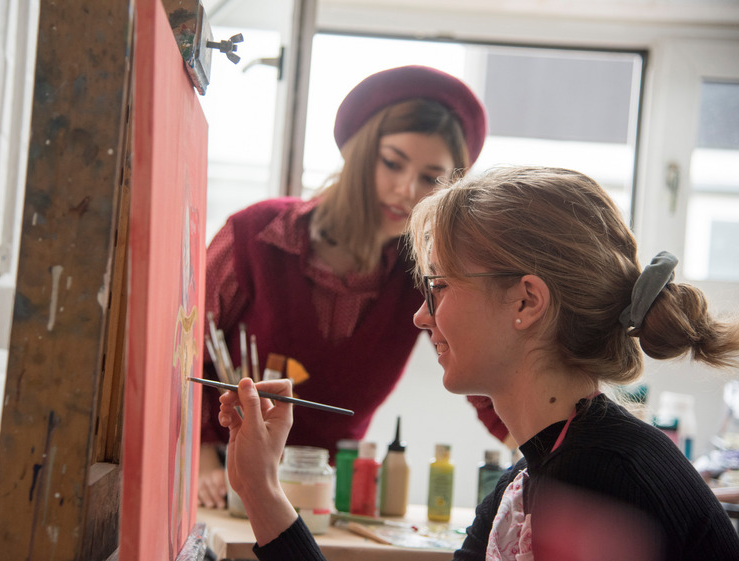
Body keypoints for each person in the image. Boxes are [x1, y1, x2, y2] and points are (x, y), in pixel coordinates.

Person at [217, 166, 739, 560]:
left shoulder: (603, 479)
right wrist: (261, 488)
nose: (421, 316)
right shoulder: (534, 475)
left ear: (526, 302)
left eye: (438, 286)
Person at [198, 65, 509, 509]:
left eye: (431, 178)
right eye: (392, 163)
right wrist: (205, 461)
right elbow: (183, 353)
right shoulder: (255, 235)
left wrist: (551, 444)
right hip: (215, 484)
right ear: (359, 152)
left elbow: (482, 375)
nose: (405, 190)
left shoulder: (423, 275)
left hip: (321, 499)